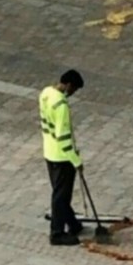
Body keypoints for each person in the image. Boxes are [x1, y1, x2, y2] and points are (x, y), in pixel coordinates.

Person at [39, 69, 85, 246]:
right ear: (69, 85)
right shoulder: (62, 106)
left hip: (49, 151)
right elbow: (63, 137)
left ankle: (72, 223)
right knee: (61, 195)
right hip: (61, 156)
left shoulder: (45, 93)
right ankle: (57, 233)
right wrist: (76, 161)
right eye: (74, 89)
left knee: (59, 191)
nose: (73, 93)